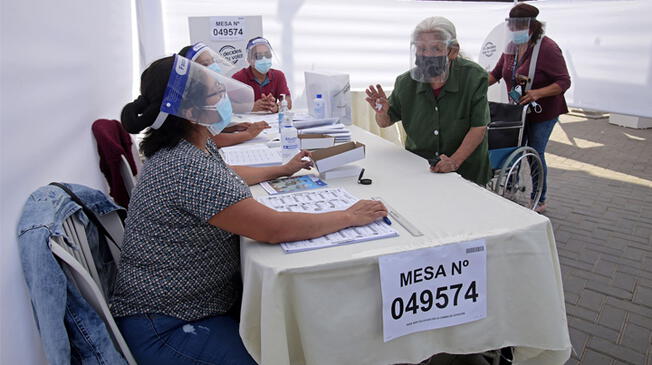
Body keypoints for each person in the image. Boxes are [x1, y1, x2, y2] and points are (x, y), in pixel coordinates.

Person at [111, 55, 387, 365]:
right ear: (188, 111)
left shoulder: (190, 147)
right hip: (169, 325)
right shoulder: (184, 166)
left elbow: (228, 174)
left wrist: (281, 170)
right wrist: (349, 216)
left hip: (191, 308)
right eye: (216, 94)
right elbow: (273, 229)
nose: (225, 99)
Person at [365, 16, 491, 186]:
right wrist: (382, 111)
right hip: (419, 168)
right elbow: (385, 122)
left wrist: (453, 162)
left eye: (436, 49)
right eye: (421, 49)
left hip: (465, 171)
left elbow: (479, 128)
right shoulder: (405, 82)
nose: (427, 55)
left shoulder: (474, 77)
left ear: (452, 51)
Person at [488, 3, 571, 213]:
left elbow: (564, 81)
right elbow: (496, 74)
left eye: (519, 27)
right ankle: (509, 188)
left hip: (543, 112)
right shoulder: (512, 47)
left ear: (532, 27)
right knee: (513, 148)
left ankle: (539, 198)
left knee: (535, 150)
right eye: (512, 27)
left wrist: (537, 93)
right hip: (518, 110)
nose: (515, 31)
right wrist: (473, 86)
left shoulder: (548, 48)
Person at [179, 43, 271, 147]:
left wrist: (232, 127)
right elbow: (208, 139)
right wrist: (247, 134)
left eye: (212, 61)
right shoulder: (190, 100)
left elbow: (207, 130)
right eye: (205, 64)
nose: (213, 66)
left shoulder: (211, 88)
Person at [232, 37, 291, 113]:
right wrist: (251, 107)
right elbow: (229, 106)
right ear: (249, 60)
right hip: (248, 122)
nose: (264, 59)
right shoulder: (238, 78)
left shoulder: (278, 75)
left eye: (267, 55)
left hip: (272, 122)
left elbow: (288, 101)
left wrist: (277, 107)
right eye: (259, 56)